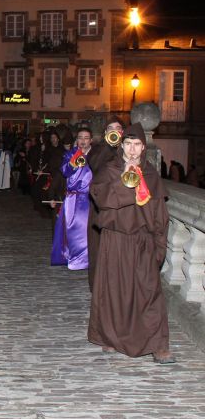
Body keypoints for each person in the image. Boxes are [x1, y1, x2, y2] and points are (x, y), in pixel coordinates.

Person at [88, 123, 174, 364]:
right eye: (128, 144)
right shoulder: (110, 170)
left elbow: (160, 213)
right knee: (114, 290)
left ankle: (158, 344)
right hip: (116, 239)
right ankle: (111, 337)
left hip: (143, 240)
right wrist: (126, 178)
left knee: (149, 292)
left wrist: (159, 243)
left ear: (143, 147)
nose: (133, 150)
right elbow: (100, 198)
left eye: (137, 145)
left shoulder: (151, 174)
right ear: (121, 146)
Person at [86, 116, 124, 291]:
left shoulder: (128, 148)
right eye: (111, 128)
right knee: (98, 246)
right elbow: (94, 165)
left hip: (121, 206)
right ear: (105, 132)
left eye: (118, 128)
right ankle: (98, 285)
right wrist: (109, 145)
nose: (115, 131)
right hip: (100, 206)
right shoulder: (98, 149)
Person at [51, 127, 92, 271]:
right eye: (80, 137)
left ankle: (86, 259)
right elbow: (64, 171)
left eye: (86, 138)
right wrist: (75, 159)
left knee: (86, 229)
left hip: (89, 198)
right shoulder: (70, 154)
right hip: (73, 198)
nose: (83, 140)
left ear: (91, 140)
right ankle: (72, 257)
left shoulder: (96, 155)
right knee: (71, 229)